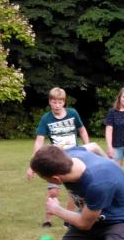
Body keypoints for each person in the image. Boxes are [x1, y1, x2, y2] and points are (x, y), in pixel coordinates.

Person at [26, 87, 90, 227]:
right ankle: (48, 220)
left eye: (60, 102)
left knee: (74, 190)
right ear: (50, 102)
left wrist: (88, 146)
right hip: (55, 158)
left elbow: (82, 130)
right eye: (54, 102)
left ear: (64, 102)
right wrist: (33, 164)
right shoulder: (46, 118)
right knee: (53, 190)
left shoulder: (72, 113)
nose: (57, 105)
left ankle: (69, 219)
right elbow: (39, 140)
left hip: (75, 156)